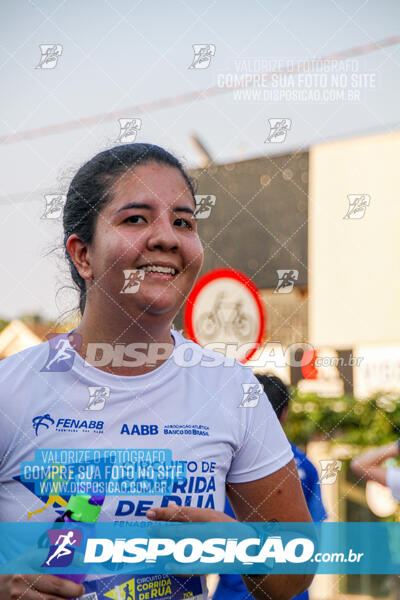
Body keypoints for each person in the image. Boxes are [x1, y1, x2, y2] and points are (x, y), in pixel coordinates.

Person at [0, 143, 313, 600]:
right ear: (83, 255)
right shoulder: (12, 390)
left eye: (183, 221)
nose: (167, 237)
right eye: (135, 219)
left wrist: (246, 549)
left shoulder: (231, 390)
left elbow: (295, 571)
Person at [214, 374, 327, 600]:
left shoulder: (217, 460)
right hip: (289, 591)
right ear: (285, 413)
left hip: (232, 592)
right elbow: (312, 539)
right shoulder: (304, 465)